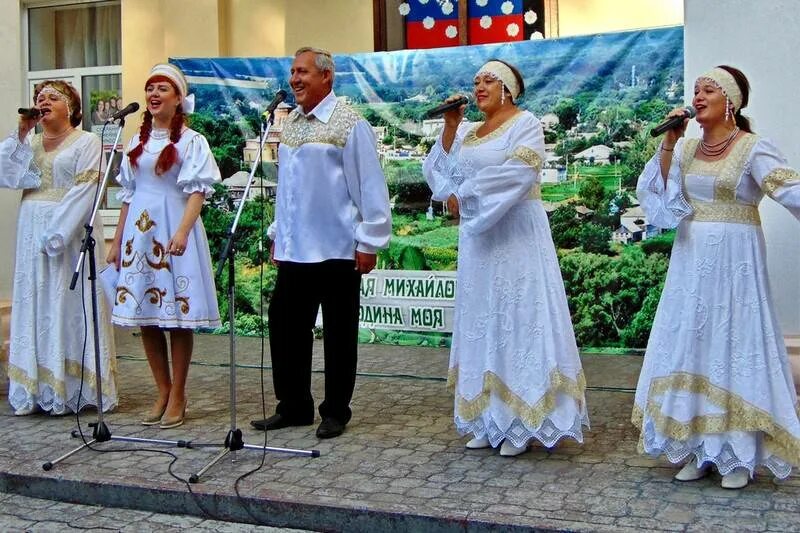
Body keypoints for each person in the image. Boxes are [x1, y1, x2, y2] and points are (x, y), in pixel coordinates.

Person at [633, 65, 800, 489]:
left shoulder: (752, 148)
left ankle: (739, 456)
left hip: (735, 264)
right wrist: (669, 143)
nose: (699, 96)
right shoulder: (686, 149)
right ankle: (696, 448)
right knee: (692, 343)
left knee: (733, 343)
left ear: (732, 101)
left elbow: (789, 189)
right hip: (690, 260)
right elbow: (658, 199)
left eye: (709, 90)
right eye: (696, 90)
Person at [422, 60, 589, 457]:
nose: (479, 86)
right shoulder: (467, 131)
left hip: (516, 234)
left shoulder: (526, 124)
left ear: (508, 89)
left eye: (488, 80)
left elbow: (519, 174)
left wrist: (468, 197)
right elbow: (441, 173)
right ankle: (487, 416)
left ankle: (521, 420)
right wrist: (449, 126)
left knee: (519, 318)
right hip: (480, 242)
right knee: (484, 320)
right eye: (475, 80)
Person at [250, 47, 391, 439]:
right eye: (292, 72)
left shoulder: (348, 124)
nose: (295, 79)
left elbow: (369, 185)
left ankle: (335, 411)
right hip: (296, 248)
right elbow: (288, 190)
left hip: (337, 248)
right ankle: (293, 406)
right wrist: (279, 234)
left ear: (326, 76)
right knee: (285, 327)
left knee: (339, 334)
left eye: (303, 72)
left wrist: (370, 240)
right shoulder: (291, 123)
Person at [107, 63, 220, 429]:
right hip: (139, 235)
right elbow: (128, 194)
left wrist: (184, 232)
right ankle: (162, 388)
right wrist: (116, 241)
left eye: (163, 89)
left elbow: (198, 191)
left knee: (176, 318)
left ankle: (179, 393)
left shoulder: (192, 141)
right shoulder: (136, 142)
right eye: (150, 88)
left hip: (173, 229)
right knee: (146, 317)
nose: (154, 95)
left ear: (178, 98)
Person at [0, 80, 118, 415]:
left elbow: (85, 191)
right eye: (40, 97)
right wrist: (21, 133)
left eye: (53, 97)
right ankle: (37, 387)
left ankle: (72, 386)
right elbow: (6, 174)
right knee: (35, 299)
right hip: (30, 232)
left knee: (65, 301)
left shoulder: (87, 141)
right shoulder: (31, 143)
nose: (44, 101)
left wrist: (57, 233)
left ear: (71, 107)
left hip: (66, 234)